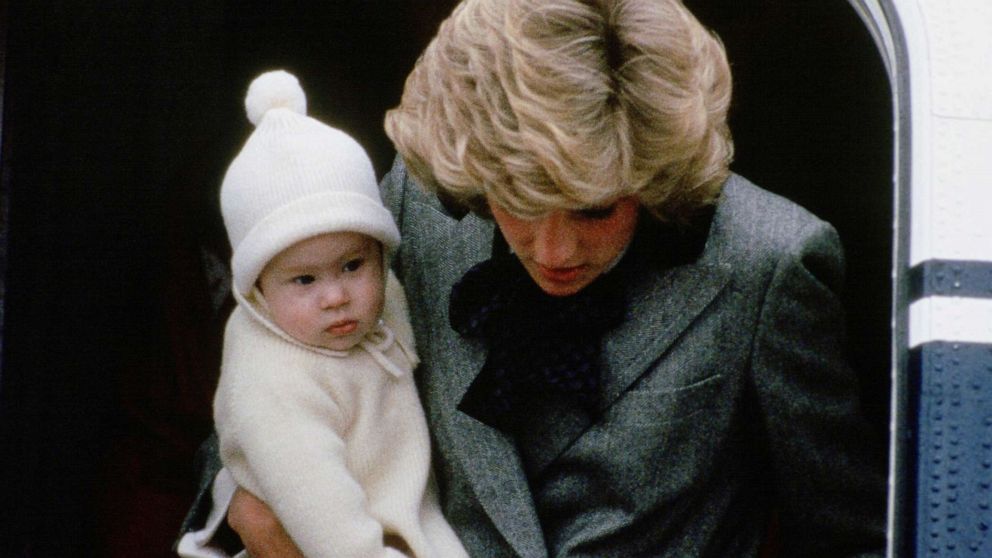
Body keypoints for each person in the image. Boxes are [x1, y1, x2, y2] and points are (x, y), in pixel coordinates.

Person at [178, 1, 888, 556]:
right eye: (516, 202)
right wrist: (243, 508)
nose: (553, 249)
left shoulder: (770, 260)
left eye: (593, 209)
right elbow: (277, 386)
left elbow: (849, 536)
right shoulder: (416, 208)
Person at [177, 70, 468, 558]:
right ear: (258, 291)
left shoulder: (380, 304)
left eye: (353, 265)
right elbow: (328, 524)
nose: (335, 295)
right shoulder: (272, 383)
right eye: (304, 280)